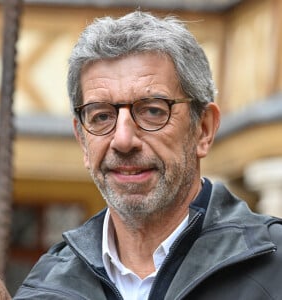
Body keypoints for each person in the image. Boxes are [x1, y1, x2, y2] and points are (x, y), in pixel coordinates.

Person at [14, 11, 282, 299]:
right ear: (82, 140)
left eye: (153, 111)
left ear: (203, 129)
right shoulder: (45, 288)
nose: (123, 140)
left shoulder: (275, 269)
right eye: (102, 116)